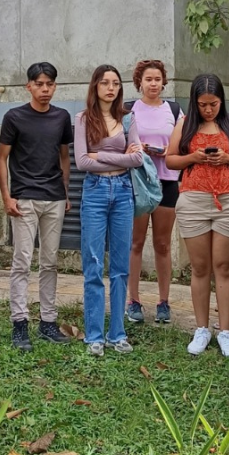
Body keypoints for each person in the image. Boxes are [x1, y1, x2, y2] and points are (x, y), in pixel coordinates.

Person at [166, 73, 229, 357]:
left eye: (213, 104)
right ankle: (202, 329)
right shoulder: (185, 124)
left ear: (221, 101)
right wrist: (194, 157)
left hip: (228, 200)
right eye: (203, 104)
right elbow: (169, 160)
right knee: (200, 267)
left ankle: (226, 331)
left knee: (225, 266)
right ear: (194, 102)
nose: (208, 109)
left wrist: (227, 158)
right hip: (193, 200)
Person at [0, 62, 75, 351]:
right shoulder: (14, 117)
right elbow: (1, 158)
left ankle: (48, 322)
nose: (45, 89)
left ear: (55, 86)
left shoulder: (61, 117)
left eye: (50, 84)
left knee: (50, 262)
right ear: (28, 85)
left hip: (54, 197)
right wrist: (7, 196)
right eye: (39, 84)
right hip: (24, 198)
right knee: (22, 261)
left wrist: (64, 192)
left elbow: (65, 157)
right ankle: (19, 324)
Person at [74, 64, 144, 356]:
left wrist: (100, 155)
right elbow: (81, 162)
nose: (111, 87)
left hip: (124, 193)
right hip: (95, 192)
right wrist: (120, 157)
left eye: (116, 83)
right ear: (96, 86)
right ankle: (94, 336)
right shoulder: (82, 119)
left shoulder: (128, 119)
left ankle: (117, 333)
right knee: (93, 264)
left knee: (120, 268)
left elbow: (138, 157)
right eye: (105, 83)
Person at [125, 59, 182, 325]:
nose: (153, 84)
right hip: (138, 180)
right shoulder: (129, 110)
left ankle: (163, 301)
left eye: (158, 79)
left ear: (164, 82)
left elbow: (182, 145)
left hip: (168, 181)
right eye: (148, 79)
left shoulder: (174, 110)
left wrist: (165, 152)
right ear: (139, 82)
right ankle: (132, 300)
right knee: (135, 242)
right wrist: (138, 150)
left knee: (162, 243)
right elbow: (120, 144)